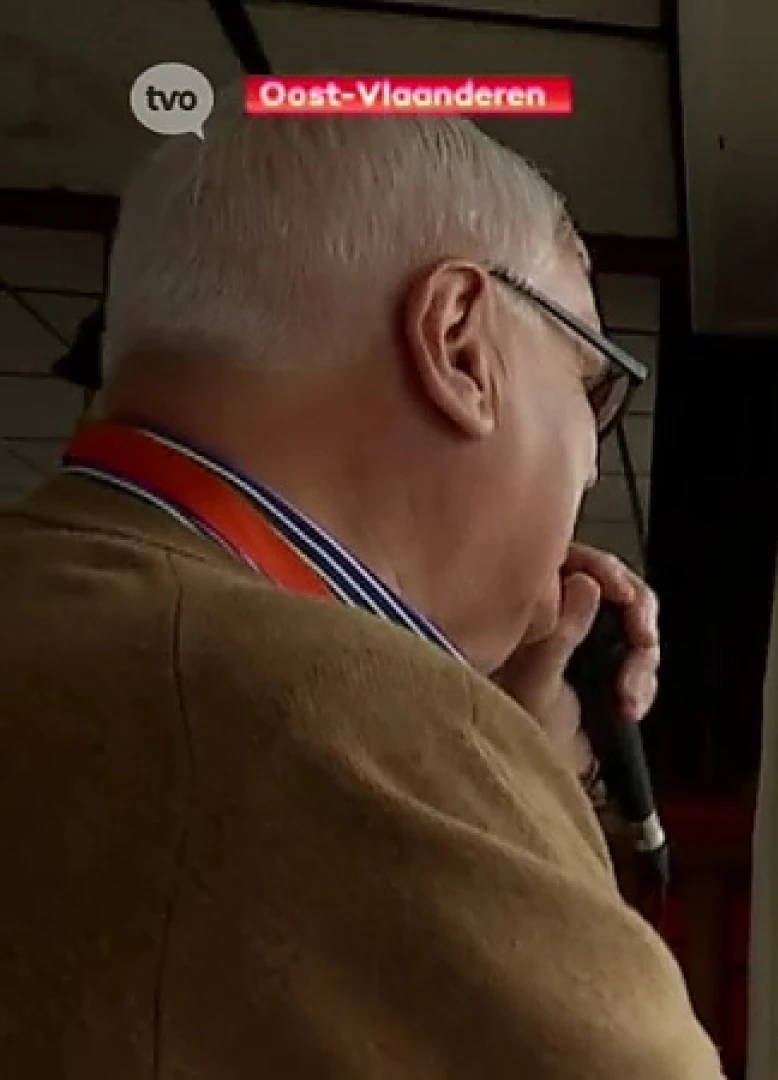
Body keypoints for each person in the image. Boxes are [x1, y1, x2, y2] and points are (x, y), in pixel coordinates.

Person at [0, 99, 724, 1077]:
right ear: (460, 341)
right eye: (591, 387)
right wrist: (499, 774)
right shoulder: (371, 729)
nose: (594, 468)